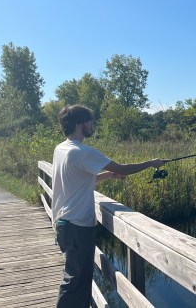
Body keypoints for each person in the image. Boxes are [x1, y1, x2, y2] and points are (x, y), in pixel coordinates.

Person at [52, 104, 168, 308]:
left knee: (76, 281)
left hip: (64, 224)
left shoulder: (61, 148)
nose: (92, 125)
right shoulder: (82, 151)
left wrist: (108, 175)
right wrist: (151, 162)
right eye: (89, 121)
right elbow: (124, 168)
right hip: (78, 227)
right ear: (80, 124)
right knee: (75, 283)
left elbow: (78, 180)